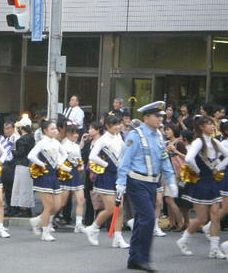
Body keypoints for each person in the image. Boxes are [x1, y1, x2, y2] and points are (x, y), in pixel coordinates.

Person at [117, 101, 178, 272]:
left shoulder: (159, 136)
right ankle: (143, 258)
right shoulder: (136, 135)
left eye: (161, 117)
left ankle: (135, 258)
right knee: (149, 219)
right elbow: (125, 160)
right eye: (156, 116)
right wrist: (120, 182)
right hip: (136, 181)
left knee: (142, 220)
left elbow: (164, 159)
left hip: (152, 182)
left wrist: (171, 180)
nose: (160, 119)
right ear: (146, 118)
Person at [177, 116, 228, 259]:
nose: (212, 126)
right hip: (200, 182)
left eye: (212, 124)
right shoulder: (198, 142)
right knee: (201, 218)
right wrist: (197, 170)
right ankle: (183, 240)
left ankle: (214, 248)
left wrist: (218, 167)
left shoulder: (215, 141)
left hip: (212, 182)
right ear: (201, 127)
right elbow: (188, 158)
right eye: (209, 124)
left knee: (215, 216)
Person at [84, 115, 130, 249]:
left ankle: (118, 237)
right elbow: (92, 156)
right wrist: (106, 164)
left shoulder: (119, 137)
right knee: (111, 208)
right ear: (107, 126)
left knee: (119, 208)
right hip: (105, 177)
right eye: (115, 124)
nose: (119, 126)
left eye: (119, 124)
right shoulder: (103, 140)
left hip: (118, 177)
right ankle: (93, 228)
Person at [28, 120, 67, 241]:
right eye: (52, 129)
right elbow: (31, 156)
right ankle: (45, 232)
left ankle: (37, 220)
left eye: (56, 128)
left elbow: (64, 154)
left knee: (58, 205)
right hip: (44, 176)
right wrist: (41, 164)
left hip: (54, 176)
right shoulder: (41, 143)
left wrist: (59, 163)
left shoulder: (56, 143)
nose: (55, 131)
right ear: (45, 131)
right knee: (48, 206)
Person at [59, 123, 86, 233]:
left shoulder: (76, 146)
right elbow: (59, 162)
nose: (76, 135)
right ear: (68, 134)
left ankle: (78, 224)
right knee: (61, 202)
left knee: (81, 199)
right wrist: (69, 169)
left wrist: (81, 166)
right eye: (73, 133)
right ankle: (47, 220)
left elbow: (79, 159)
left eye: (77, 133)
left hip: (75, 174)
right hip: (66, 174)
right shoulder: (63, 145)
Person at [10, 115, 36, 217]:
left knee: (20, 187)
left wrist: (12, 150)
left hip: (21, 165)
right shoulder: (32, 138)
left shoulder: (21, 140)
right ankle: (27, 208)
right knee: (27, 188)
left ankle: (22, 209)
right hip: (29, 165)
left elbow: (19, 153)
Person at [164, 123, 186, 231]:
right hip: (167, 173)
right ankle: (171, 223)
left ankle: (180, 222)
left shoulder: (179, 142)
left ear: (174, 130)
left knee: (169, 199)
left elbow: (187, 158)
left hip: (176, 173)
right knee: (168, 199)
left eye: (168, 129)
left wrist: (175, 151)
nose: (166, 132)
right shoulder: (167, 143)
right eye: (165, 130)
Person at [0, 120, 20, 216]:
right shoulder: (5, 139)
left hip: (13, 165)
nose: (6, 131)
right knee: (7, 188)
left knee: (12, 188)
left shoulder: (16, 138)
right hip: (5, 165)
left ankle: (14, 208)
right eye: (4, 128)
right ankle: (9, 207)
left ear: (13, 128)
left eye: (8, 128)